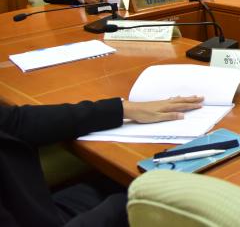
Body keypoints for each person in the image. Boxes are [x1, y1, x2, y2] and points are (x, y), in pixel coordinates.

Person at [0, 95, 203, 226]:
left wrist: (121, 109)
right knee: (175, 198)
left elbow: (16, 121)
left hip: (31, 206)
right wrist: (134, 204)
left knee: (113, 181)